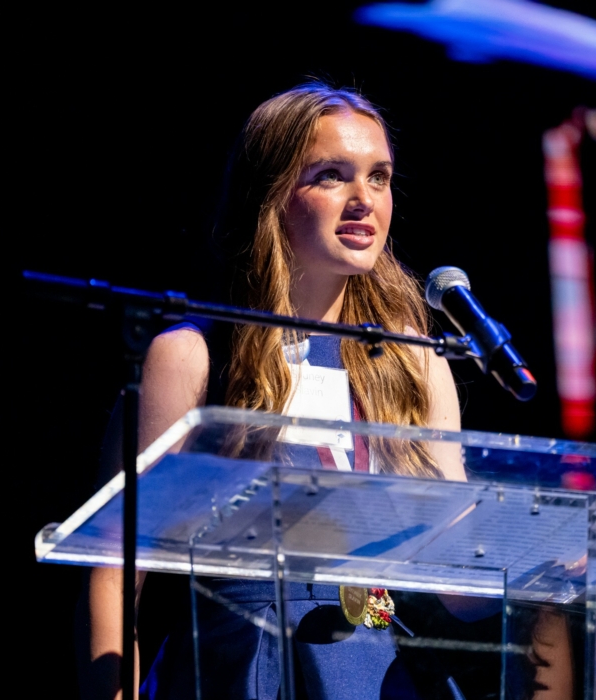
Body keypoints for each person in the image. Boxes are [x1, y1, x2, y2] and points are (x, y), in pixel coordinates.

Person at [76, 83, 466, 700]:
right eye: (332, 175)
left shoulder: (412, 360)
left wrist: (554, 565)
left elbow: (459, 574)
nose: (364, 200)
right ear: (272, 192)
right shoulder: (195, 355)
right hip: (235, 665)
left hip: (374, 665)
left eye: (380, 177)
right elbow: (116, 568)